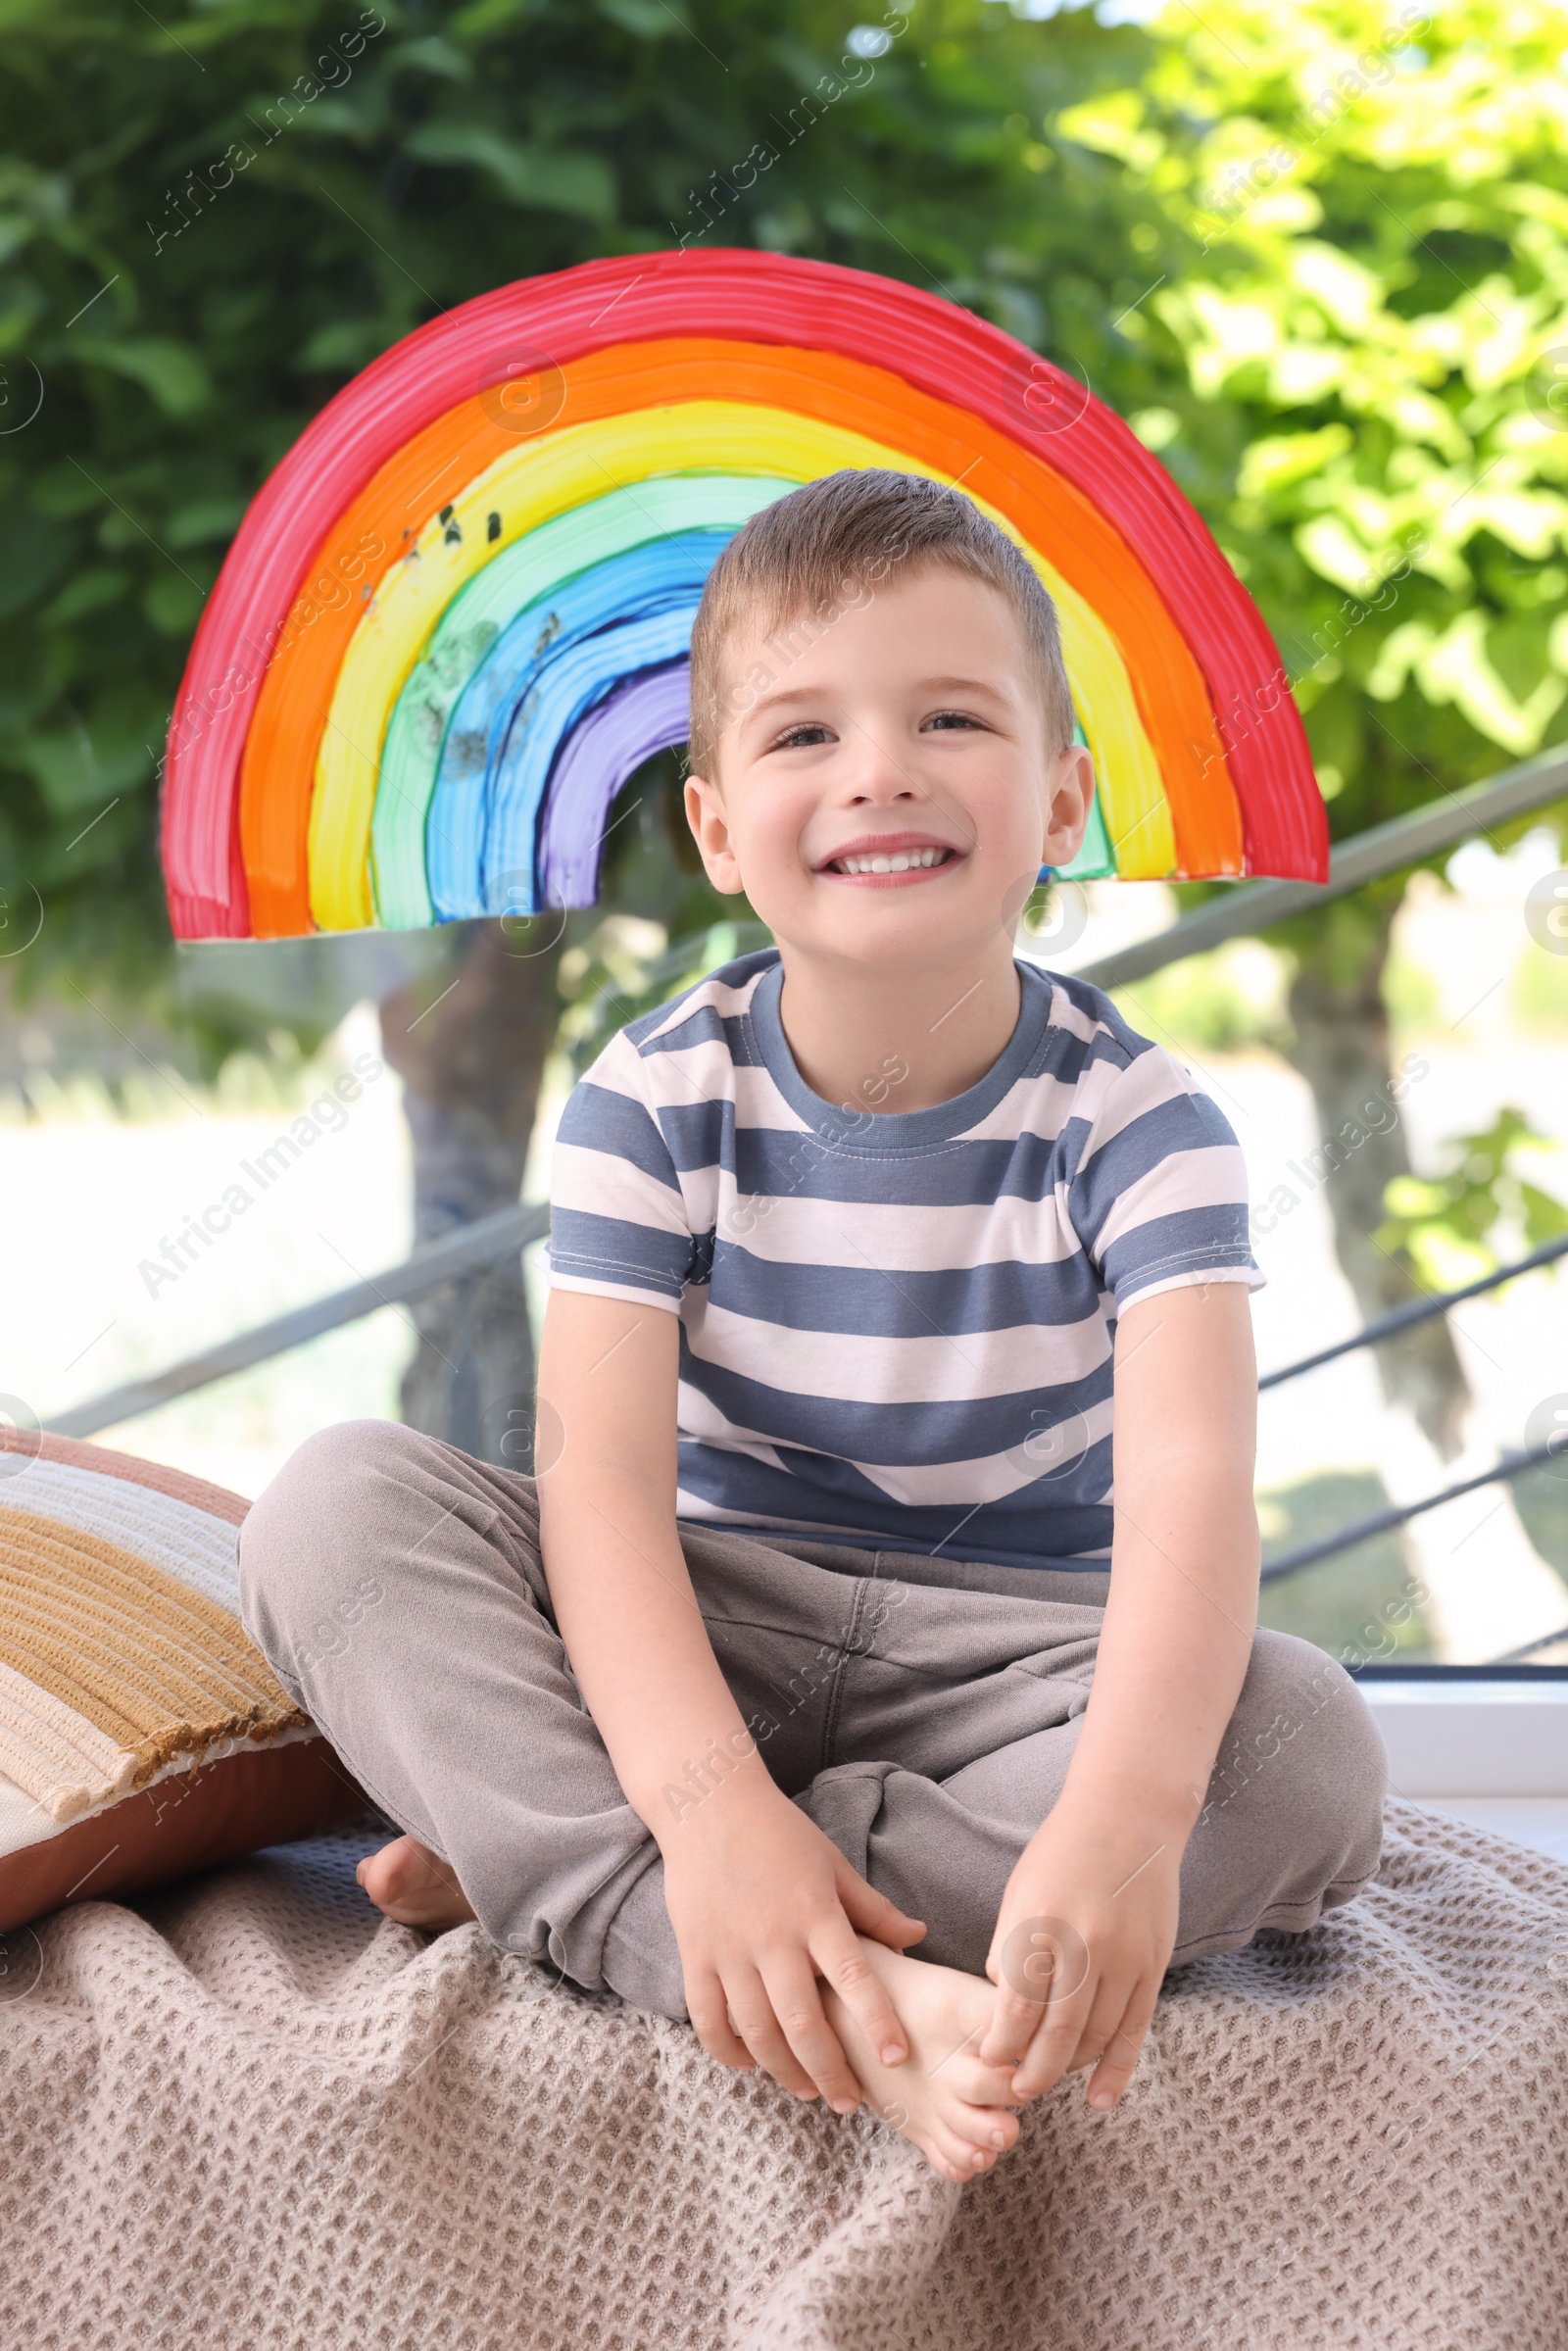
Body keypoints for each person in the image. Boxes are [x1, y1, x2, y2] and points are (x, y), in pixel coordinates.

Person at [240, 469, 1387, 2185]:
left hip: (1015, 1677)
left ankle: (597, 1873)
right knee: (332, 1503)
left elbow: (1194, 1496)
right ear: (713, 829)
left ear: (1061, 797)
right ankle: (689, 1905)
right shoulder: (652, 1099)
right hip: (722, 1633)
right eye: (803, 736)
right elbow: (604, 1499)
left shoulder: (1142, 1128)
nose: (879, 770)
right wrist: (707, 1819)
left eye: (950, 716)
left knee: (1307, 1747)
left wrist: (1126, 1825)